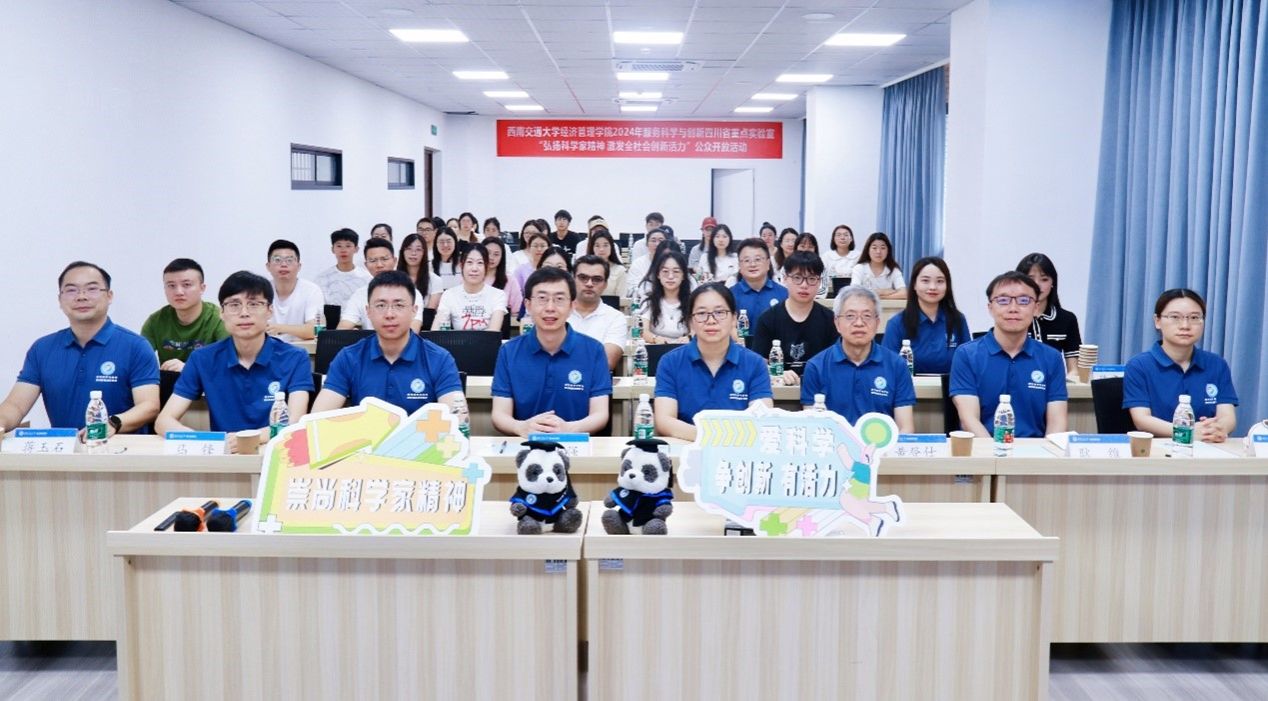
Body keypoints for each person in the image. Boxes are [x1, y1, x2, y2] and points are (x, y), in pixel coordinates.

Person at [0, 262, 159, 435]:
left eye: (92, 289)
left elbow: (149, 406)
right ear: (60, 300)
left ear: (109, 296)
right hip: (65, 448)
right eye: (71, 290)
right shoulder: (42, 349)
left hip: (120, 447)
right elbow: (16, 405)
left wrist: (112, 423)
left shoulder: (136, 346)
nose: (81, 297)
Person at [156, 271, 312, 446]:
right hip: (225, 454)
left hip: (274, 451)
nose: (244, 313)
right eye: (234, 305)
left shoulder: (295, 358)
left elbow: (294, 422)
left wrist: (249, 438)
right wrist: (205, 442)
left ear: (270, 311)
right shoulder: (202, 359)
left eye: (254, 304)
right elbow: (164, 421)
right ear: (222, 313)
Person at [312, 271, 464, 414]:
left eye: (399, 305)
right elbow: (317, 418)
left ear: (414, 311)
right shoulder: (349, 357)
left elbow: (458, 420)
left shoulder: (439, 359)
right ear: (368, 311)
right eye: (381, 305)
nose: (389, 314)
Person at [491, 267, 612, 436]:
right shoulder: (509, 351)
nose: (550, 308)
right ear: (528, 305)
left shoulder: (594, 350)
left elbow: (600, 414)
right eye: (542, 298)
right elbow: (499, 414)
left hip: (577, 445)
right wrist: (521, 427)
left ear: (572, 306)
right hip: (525, 445)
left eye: (559, 299)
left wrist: (568, 429)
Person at [950, 271, 1068, 438]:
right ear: (990, 308)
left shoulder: (1052, 358)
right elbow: (969, 420)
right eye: (1003, 300)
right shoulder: (967, 355)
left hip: (1035, 450)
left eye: (1023, 301)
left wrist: (1045, 453)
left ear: (1035, 308)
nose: (1013, 308)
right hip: (983, 449)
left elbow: (1057, 423)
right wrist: (996, 452)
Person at [653, 283, 774, 441]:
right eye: (701, 313)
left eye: (719, 312)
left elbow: (762, 420)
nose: (711, 320)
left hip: (738, 449)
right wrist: (712, 437)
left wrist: (721, 440)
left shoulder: (755, 364)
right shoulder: (670, 362)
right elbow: (664, 421)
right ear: (690, 322)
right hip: (687, 448)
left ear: (734, 319)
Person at [1123, 288, 1237, 441]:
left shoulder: (1217, 364)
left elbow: (1228, 417)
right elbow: (1142, 420)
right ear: (1157, 321)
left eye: (1194, 317)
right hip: (1158, 448)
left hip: (1208, 446)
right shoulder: (1139, 366)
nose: (1185, 325)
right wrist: (1187, 432)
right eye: (1175, 317)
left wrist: (1217, 429)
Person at [801, 286, 916, 432]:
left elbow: (905, 428)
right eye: (850, 316)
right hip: (834, 445)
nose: (859, 323)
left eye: (867, 316)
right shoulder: (816, 366)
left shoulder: (897, 365)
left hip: (881, 446)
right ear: (837, 323)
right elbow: (812, 428)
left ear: (877, 323)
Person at [752, 252, 837, 384]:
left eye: (811, 279)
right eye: (797, 278)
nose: (804, 285)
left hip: (819, 389)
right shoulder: (767, 319)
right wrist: (778, 374)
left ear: (819, 282)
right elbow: (758, 365)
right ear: (785, 278)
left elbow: (835, 363)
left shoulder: (830, 319)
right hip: (779, 390)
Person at [882, 256, 971, 375]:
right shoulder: (897, 323)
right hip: (910, 386)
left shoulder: (958, 320)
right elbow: (888, 368)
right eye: (925, 280)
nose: (932, 287)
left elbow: (967, 364)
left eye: (940, 281)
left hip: (951, 386)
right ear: (914, 284)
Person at [140, 258, 228, 372]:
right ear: (165, 289)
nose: (179, 292)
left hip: (208, 381)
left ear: (202, 288)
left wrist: (189, 369)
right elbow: (139, 361)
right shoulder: (155, 321)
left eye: (186, 285)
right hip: (170, 381)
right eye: (171, 286)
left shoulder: (220, 319)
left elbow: (229, 365)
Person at [1016, 253, 1083, 373]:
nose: (1037, 285)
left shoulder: (1067, 319)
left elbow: (1074, 369)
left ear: (1053, 283)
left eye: (1044, 279)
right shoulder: (1012, 316)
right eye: (1030, 279)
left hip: (1053, 382)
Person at [339, 238, 424, 332]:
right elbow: (343, 328)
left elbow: (414, 329)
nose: (379, 265)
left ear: (394, 261)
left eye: (384, 259)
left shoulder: (410, 292)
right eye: (373, 260)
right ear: (366, 265)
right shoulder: (360, 294)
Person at [569, 255, 627, 371]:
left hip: (594, 381)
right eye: (583, 278)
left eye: (596, 279)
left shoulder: (616, 318)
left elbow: (606, 362)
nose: (589, 284)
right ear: (573, 279)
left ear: (605, 284)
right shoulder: (557, 312)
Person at [431, 245, 508, 331]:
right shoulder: (449, 295)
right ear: (461, 266)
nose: (474, 268)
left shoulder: (498, 295)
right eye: (469, 262)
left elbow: (494, 331)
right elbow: (436, 329)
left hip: (487, 340)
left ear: (486, 267)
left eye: (480, 263)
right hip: (457, 340)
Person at [264, 239, 323, 342]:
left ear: (299, 266)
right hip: (267, 348)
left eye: (289, 260)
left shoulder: (312, 290)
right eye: (277, 260)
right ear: (268, 266)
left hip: (299, 349)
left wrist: (280, 328)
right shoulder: (260, 291)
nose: (283, 264)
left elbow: (315, 330)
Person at [729, 238, 788, 326]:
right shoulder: (730, 295)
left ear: (768, 263)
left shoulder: (784, 294)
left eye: (757, 259)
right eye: (747, 260)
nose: (753, 264)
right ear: (739, 266)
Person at [641, 250, 692, 344]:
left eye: (676, 271)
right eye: (665, 271)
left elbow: (696, 331)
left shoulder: (693, 301)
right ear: (658, 275)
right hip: (656, 347)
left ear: (683, 275)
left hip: (684, 347)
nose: (670, 276)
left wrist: (689, 338)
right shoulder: (649, 301)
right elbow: (643, 331)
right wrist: (656, 339)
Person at [314, 228, 372, 308]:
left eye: (348, 246)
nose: (343, 250)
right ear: (332, 249)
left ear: (356, 249)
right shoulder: (322, 279)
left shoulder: (366, 278)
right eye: (339, 246)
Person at [849, 232, 906, 299]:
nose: (878, 251)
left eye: (883, 248)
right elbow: (854, 292)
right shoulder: (859, 268)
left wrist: (882, 298)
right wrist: (882, 291)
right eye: (874, 248)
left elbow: (904, 293)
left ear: (888, 251)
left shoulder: (893, 270)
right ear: (868, 250)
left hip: (887, 305)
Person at [625, 227, 671, 300]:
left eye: (661, 240)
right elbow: (631, 288)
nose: (657, 244)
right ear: (647, 244)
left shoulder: (672, 262)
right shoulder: (638, 263)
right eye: (653, 240)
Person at [483, 236, 522, 319]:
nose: (491, 257)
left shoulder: (510, 281)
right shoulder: (472, 278)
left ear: (502, 257)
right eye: (488, 253)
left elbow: (517, 312)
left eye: (496, 254)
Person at [396, 233, 437, 310]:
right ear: (402, 252)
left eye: (418, 249)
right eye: (409, 248)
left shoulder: (435, 280)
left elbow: (430, 312)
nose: (413, 253)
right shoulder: (393, 278)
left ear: (424, 253)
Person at [512, 232, 552, 299]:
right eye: (535, 246)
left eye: (542, 246)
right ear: (529, 248)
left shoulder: (554, 268)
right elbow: (516, 293)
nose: (539, 249)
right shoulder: (521, 270)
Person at [587, 229, 627, 297]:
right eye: (597, 246)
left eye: (605, 245)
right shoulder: (585, 268)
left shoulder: (620, 270)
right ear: (592, 248)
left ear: (611, 247)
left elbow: (622, 299)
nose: (601, 249)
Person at [430, 226, 461, 295]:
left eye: (448, 241)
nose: (445, 245)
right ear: (436, 244)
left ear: (455, 242)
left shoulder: (463, 264)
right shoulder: (429, 266)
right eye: (441, 242)